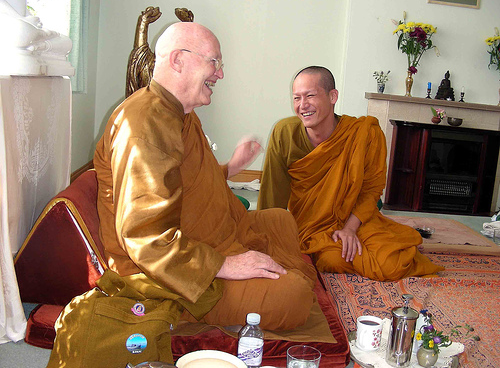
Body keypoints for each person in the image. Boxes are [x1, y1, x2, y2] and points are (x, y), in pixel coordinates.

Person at [93, 22, 317, 330]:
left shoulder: (177, 112)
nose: (220, 73)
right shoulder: (142, 125)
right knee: (293, 297)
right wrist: (227, 264)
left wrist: (230, 168)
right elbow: (145, 238)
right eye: (214, 61)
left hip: (211, 236)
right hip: (164, 272)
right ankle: (196, 310)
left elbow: (187, 180)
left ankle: (253, 274)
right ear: (178, 60)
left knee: (281, 220)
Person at [258, 66, 444, 281]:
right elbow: (272, 191)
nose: (302, 105)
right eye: (296, 98)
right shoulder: (285, 133)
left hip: (354, 217)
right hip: (312, 224)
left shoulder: (363, 134)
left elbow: (371, 190)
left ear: (332, 96)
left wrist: (349, 229)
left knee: (391, 264)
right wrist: (266, 239)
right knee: (332, 260)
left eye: (310, 95)